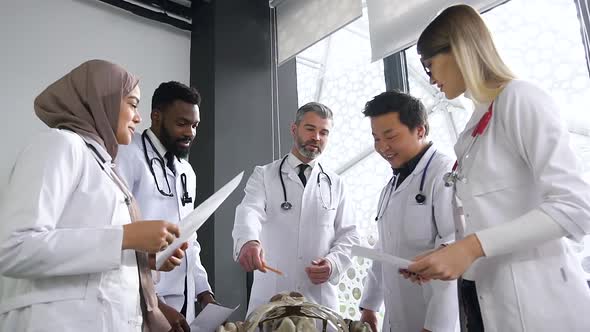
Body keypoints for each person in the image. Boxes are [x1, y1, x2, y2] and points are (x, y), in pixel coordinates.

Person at [406, 4, 590, 331]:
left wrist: (472, 247)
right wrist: (447, 256)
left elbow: (575, 207)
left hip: (541, 306)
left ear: (458, 50)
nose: (430, 76)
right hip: (486, 302)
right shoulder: (475, 126)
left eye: (429, 63)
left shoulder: (521, 99)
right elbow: (493, 216)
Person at [0, 60, 188, 331]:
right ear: (103, 100)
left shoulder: (105, 166)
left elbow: (90, 252)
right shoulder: (60, 144)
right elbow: (14, 247)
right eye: (133, 104)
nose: (138, 117)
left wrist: (141, 258)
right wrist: (126, 237)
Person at [232, 102, 360, 315]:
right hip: (272, 297)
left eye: (324, 132)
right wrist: (249, 241)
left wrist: (333, 264)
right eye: (310, 129)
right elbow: (249, 211)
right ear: (294, 129)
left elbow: (350, 235)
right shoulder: (264, 175)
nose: (316, 137)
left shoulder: (336, 184)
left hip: (319, 300)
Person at [359, 91, 459, 332]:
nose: (383, 147)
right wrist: (370, 306)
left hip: (432, 321)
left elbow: (452, 254)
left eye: (390, 136)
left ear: (421, 130)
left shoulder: (445, 176)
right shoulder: (390, 187)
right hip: (396, 319)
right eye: (376, 138)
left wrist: (436, 327)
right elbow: (384, 249)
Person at [117, 81, 215, 323]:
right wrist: (156, 304)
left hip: (183, 301)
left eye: (194, 125)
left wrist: (203, 291)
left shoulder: (186, 171)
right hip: (141, 301)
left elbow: (189, 235)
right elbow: (119, 235)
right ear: (156, 116)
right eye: (182, 124)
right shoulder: (128, 153)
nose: (190, 132)